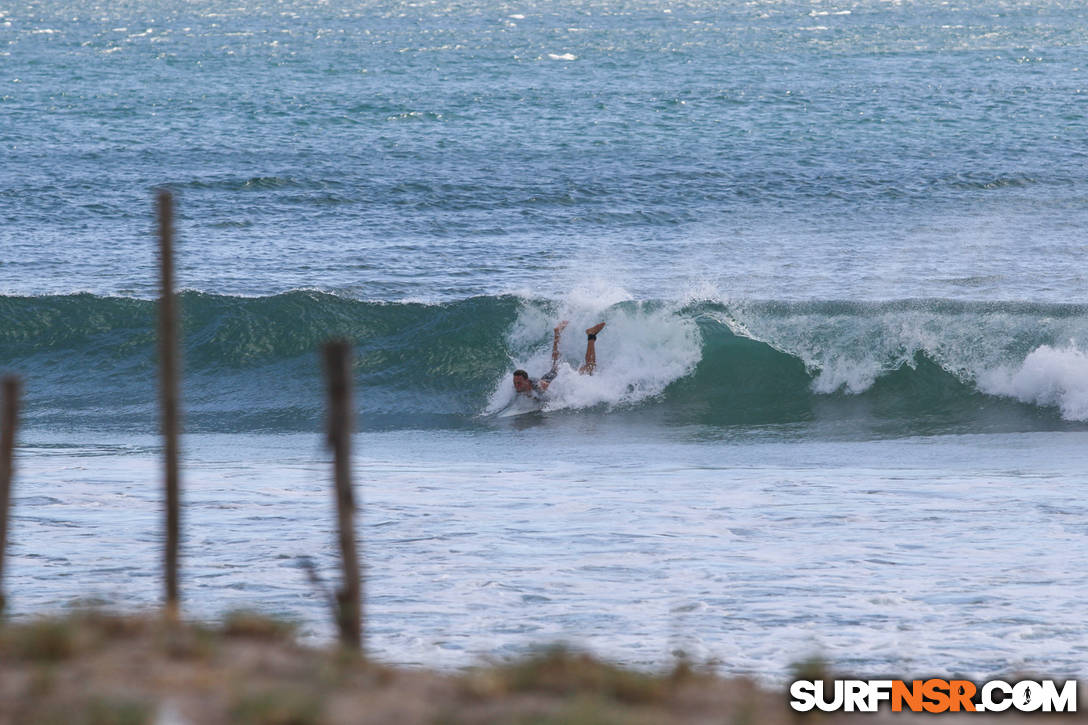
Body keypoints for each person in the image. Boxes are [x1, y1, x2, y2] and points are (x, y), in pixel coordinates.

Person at [512, 321, 606, 398]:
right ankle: (557, 333)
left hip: (556, 379)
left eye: (519, 383)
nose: (516, 385)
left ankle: (591, 335)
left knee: (590, 368)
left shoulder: (539, 386)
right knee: (555, 362)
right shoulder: (519, 386)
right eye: (515, 383)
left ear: (526, 381)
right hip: (549, 377)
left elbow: (552, 391)